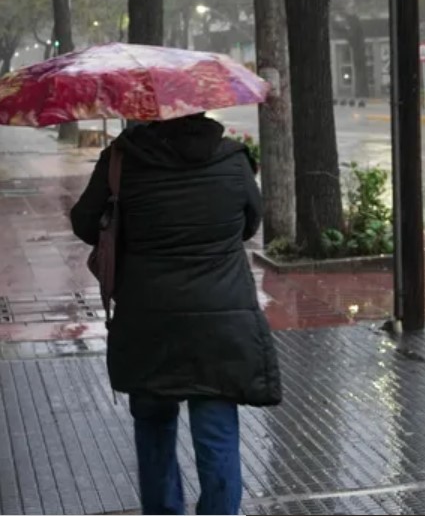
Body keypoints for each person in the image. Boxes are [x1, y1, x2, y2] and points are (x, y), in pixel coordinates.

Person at [70, 113, 280, 515]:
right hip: (221, 320)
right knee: (216, 430)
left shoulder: (122, 159)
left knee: (153, 426)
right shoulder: (232, 158)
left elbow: (85, 223)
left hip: (148, 319)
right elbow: (249, 223)